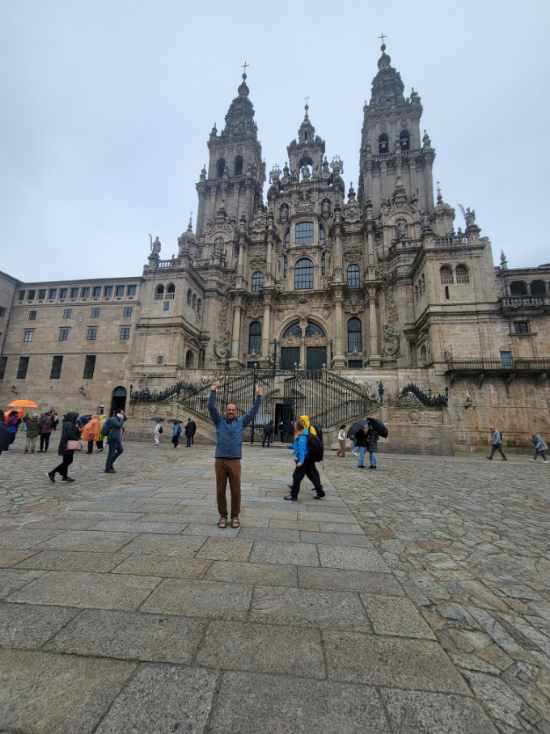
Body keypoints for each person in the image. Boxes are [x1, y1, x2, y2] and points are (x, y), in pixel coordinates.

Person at [208, 381, 262, 529]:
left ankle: (235, 516)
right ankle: (223, 516)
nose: (231, 411)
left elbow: (253, 412)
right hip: (220, 460)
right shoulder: (219, 421)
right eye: (229, 409)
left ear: (236, 411)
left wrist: (259, 396)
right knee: (220, 490)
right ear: (226, 411)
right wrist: (213, 391)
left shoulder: (241, 422)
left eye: (233, 410)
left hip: (235, 461)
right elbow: (211, 407)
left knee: (236, 490)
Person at [285, 415, 325, 501]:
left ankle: (293, 496)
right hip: (309, 459)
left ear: (297, 428)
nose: (293, 428)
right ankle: (320, 492)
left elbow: (302, 450)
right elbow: (300, 447)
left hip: (304, 460)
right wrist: (291, 446)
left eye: (295, 427)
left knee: (296, 477)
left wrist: (301, 461)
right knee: (312, 476)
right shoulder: (305, 434)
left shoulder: (302, 437)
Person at [48, 412, 81, 482]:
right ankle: (52, 472)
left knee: (67, 461)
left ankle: (64, 476)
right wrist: (76, 438)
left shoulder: (71, 423)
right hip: (66, 445)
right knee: (68, 461)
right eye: (76, 417)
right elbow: (69, 434)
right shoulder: (68, 424)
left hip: (69, 444)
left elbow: (76, 432)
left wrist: (78, 428)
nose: (77, 418)